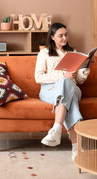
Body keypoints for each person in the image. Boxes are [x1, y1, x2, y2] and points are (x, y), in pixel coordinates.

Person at [34, 22, 93, 160]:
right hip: (49, 90)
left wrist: (85, 69)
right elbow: (38, 77)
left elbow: (78, 80)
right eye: (60, 36)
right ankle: (76, 147)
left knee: (67, 83)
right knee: (68, 97)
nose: (64, 38)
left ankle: (56, 129)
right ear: (52, 37)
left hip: (73, 88)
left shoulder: (73, 53)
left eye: (66, 35)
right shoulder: (44, 53)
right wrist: (62, 76)